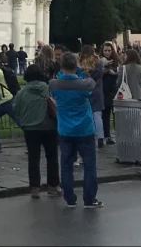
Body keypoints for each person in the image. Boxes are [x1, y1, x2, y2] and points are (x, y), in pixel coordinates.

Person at [50, 52, 101, 208]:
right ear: (76, 65)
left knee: (66, 165)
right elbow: (91, 82)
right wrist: (79, 70)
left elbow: (59, 77)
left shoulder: (54, 84)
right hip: (84, 128)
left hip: (65, 129)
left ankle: (69, 198)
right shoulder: (84, 85)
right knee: (89, 165)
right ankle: (89, 198)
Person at [12, 65, 59, 197]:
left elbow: (15, 109)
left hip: (30, 128)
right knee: (52, 157)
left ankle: (35, 188)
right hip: (49, 126)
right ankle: (53, 186)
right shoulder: (48, 89)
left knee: (33, 158)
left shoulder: (22, 93)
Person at [78, 45, 106, 148]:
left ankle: (86, 135)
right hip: (97, 90)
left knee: (85, 115)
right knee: (97, 115)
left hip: (85, 90)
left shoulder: (81, 64)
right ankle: (100, 137)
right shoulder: (98, 62)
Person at [98, 42, 119, 144]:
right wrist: (105, 71)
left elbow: (119, 72)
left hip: (114, 90)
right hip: (104, 90)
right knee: (105, 114)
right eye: (105, 50)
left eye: (109, 50)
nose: (107, 53)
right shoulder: (99, 61)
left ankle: (118, 134)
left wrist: (114, 72)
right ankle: (106, 135)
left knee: (116, 114)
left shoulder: (116, 61)